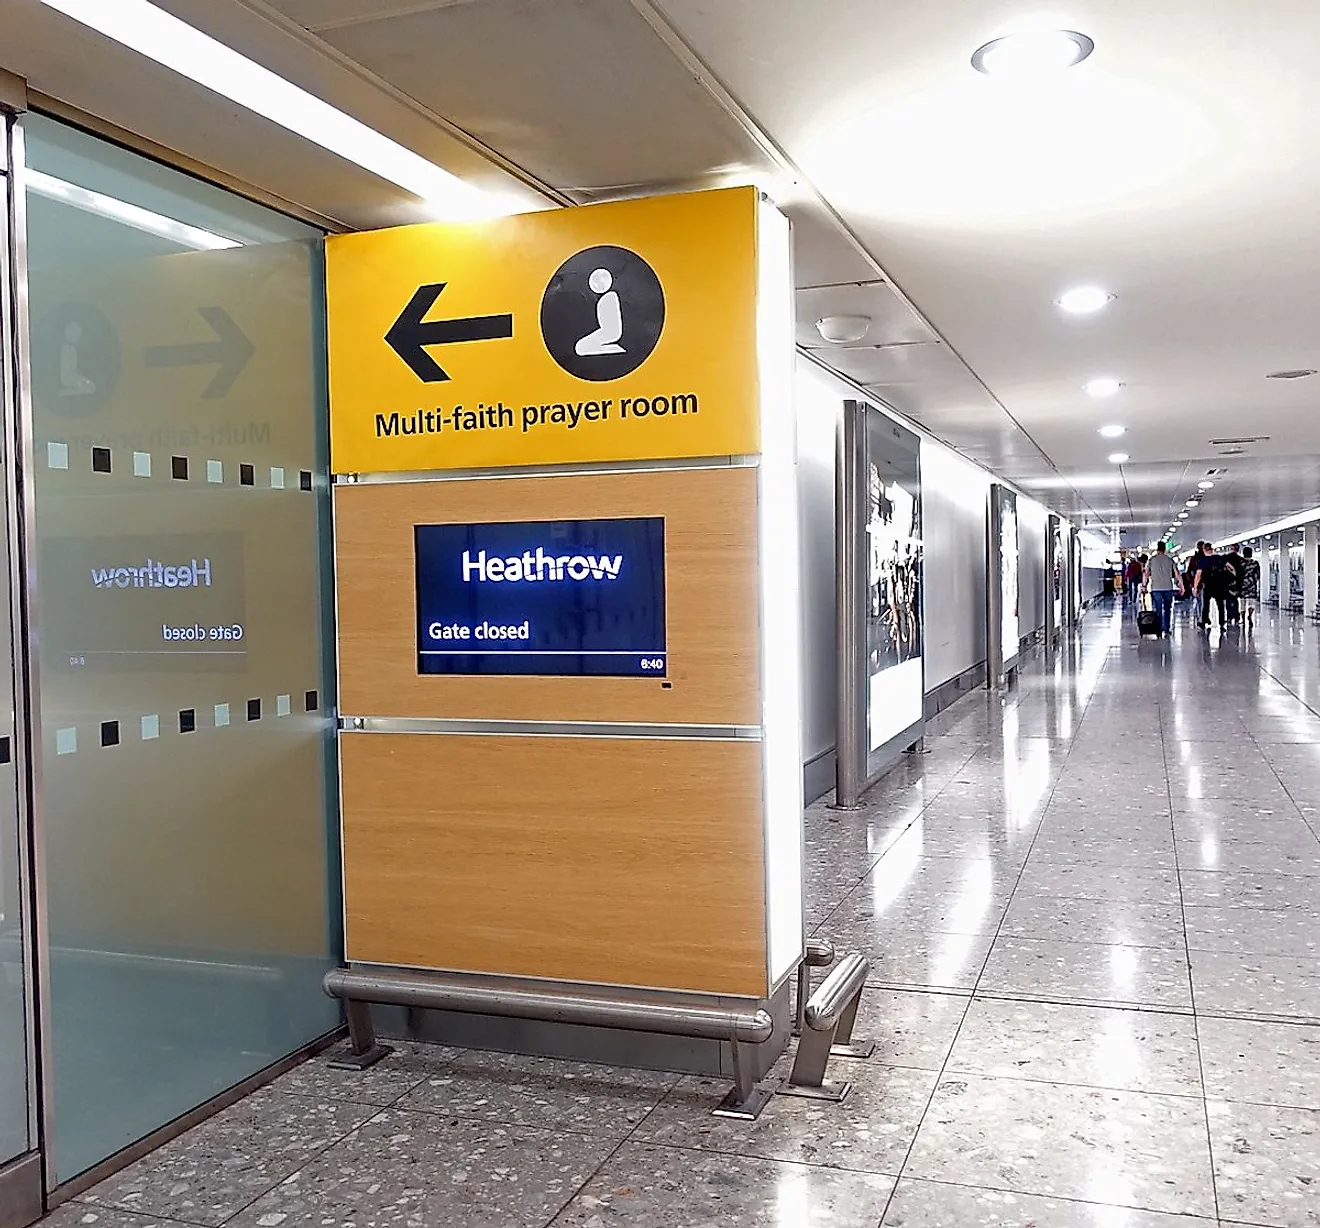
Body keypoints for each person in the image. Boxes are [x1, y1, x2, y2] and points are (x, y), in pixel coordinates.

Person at [1145, 541, 1183, 636]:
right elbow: (1177, 574)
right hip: (1168, 588)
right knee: (1167, 608)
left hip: (1156, 588)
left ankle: (1158, 628)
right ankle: (1167, 628)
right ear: (1165, 549)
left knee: (1158, 609)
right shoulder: (1170, 560)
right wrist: (1182, 586)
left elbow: (1146, 573)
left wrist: (1144, 585)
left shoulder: (1151, 560)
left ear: (1157, 549)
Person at [1192, 542, 1229, 629]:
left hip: (1207, 585)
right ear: (1211, 549)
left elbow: (1198, 574)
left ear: (1204, 549)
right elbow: (1229, 567)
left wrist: (1195, 587)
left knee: (1206, 605)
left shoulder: (1202, 560)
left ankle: (1203, 622)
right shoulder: (1219, 558)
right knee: (1220, 605)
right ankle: (1222, 623)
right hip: (1219, 585)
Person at [1239, 545, 1261, 631]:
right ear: (1251, 554)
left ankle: (1243, 619)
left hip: (1242, 586)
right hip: (1252, 586)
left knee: (1242, 604)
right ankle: (1250, 616)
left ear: (1243, 554)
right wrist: (1252, 582)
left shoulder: (1240, 563)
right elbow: (1257, 575)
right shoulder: (1255, 563)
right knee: (1252, 603)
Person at [1223, 543, 1245, 625]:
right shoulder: (1240, 559)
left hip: (1227, 583)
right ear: (1238, 549)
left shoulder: (1226, 558)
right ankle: (1236, 617)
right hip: (1236, 583)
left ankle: (1229, 617)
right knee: (1235, 601)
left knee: (1228, 601)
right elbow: (1242, 573)